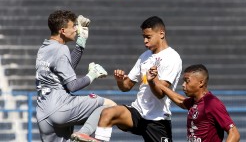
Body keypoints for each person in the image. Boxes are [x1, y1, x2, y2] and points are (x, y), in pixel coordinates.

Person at [71, 16, 182, 142]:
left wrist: (151, 81)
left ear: (161, 34)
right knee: (108, 113)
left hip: (157, 120)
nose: (145, 41)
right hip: (138, 112)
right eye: (143, 37)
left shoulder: (172, 57)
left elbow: (160, 94)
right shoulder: (145, 56)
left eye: (148, 37)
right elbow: (126, 86)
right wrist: (120, 80)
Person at [35, 10, 116, 142]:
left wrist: (81, 42)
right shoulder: (62, 49)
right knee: (110, 106)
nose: (76, 29)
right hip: (60, 107)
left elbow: (65, 69)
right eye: (73, 26)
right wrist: (92, 75)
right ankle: (83, 133)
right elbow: (72, 86)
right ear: (62, 30)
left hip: (43, 114)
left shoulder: (44, 48)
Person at [146, 64, 241, 142]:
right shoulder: (193, 102)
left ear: (201, 82)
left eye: (187, 81)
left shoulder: (211, 103)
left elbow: (234, 133)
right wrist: (157, 82)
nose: (183, 85)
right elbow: (180, 101)